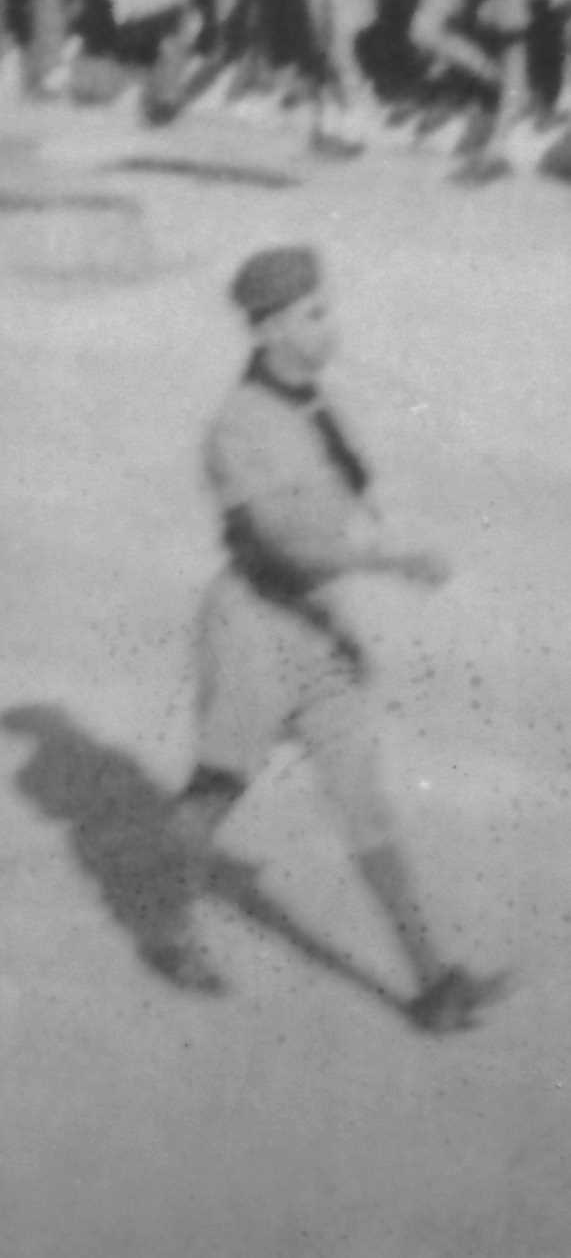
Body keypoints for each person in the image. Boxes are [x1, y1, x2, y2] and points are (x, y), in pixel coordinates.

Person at [156, 245, 496, 1027]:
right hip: (250, 625)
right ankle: (171, 925)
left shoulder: (314, 404)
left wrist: (361, 581)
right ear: (269, 327)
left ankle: (432, 984)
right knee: (216, 790)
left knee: (363, 801)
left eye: (325, 308)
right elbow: (278, 541)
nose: (328, 325)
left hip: (316, 624)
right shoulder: (236, 425)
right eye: (312, 314)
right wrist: (386, 562)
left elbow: (348, 500)